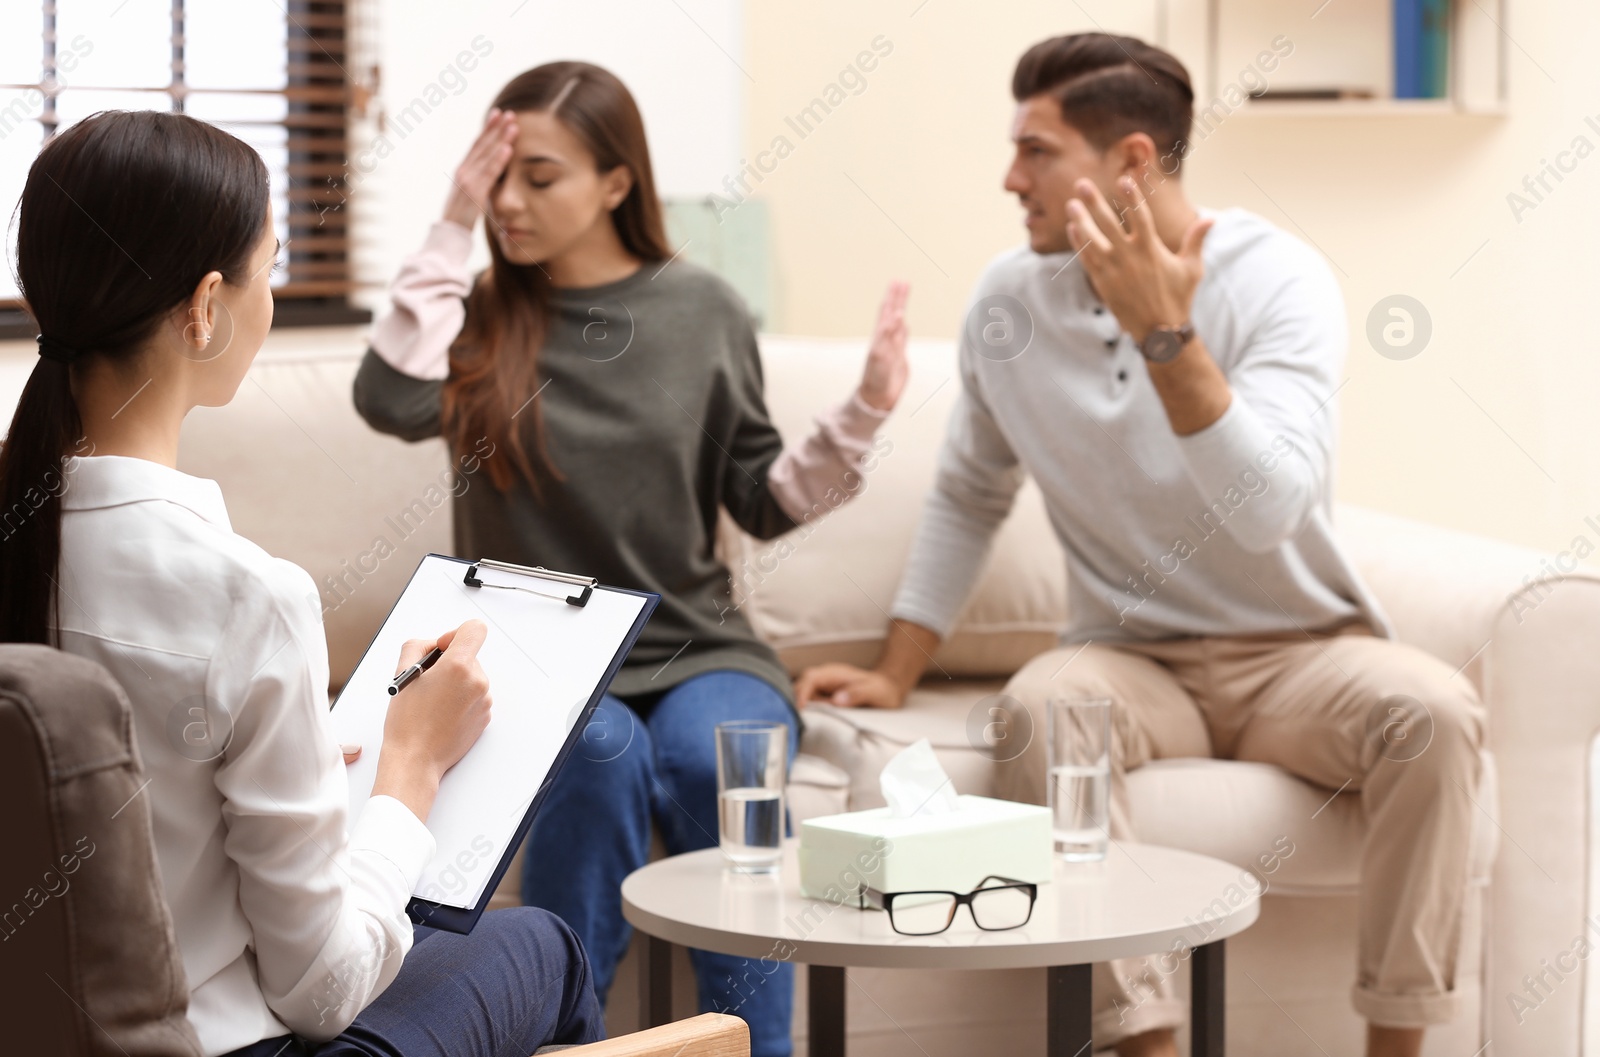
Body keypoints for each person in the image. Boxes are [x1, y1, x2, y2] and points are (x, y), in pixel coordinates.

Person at [795, 33, 1483, 1057]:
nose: (1008, 178)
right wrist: (897, 667)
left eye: (1036, 151)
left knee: (1434, 714)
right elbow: (969, 492)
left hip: (1296, 650)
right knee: (1039, 705)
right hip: (1132, 653)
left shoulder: (1278, 279)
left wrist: (1167, 335)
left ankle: (1397, 1046)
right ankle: (1143, 1042)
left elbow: (1267, 510)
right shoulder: (1009, 302)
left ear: (1128, 161)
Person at [0, 110, 603, 1057]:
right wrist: (413, 766)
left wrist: (301, 754)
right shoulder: (246, 597)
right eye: (269, 269)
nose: (271, 298)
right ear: (206, 308)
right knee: (542, 942)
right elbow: (322, 989)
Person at [352, 62, 908, 1057]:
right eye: (496, 178)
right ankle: (571, 1039)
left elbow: (759, 501)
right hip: (546, 661)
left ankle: (754, 1047)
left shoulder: (703, 309)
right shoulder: (480, 309)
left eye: (540, 176)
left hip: (697, 645)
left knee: (716, 756)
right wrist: (448, 218)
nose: (509, 202)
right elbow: (386, 399)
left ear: (616, 183)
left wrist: (861, 412)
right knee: (602, 756)